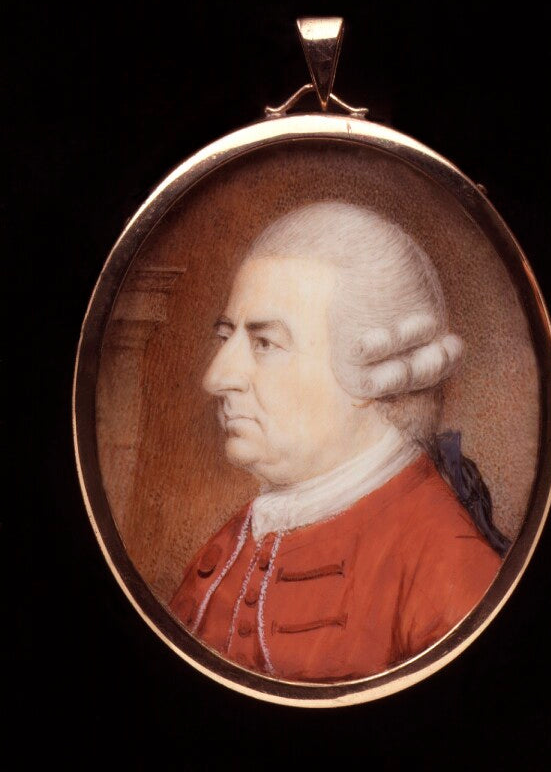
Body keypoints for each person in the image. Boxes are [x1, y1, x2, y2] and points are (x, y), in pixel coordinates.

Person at [169, 201, 509, 682]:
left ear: (368, 377)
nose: (217, 377)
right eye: (226, 337)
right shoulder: (235, 541)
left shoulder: (446, 567)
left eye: (265, 343)